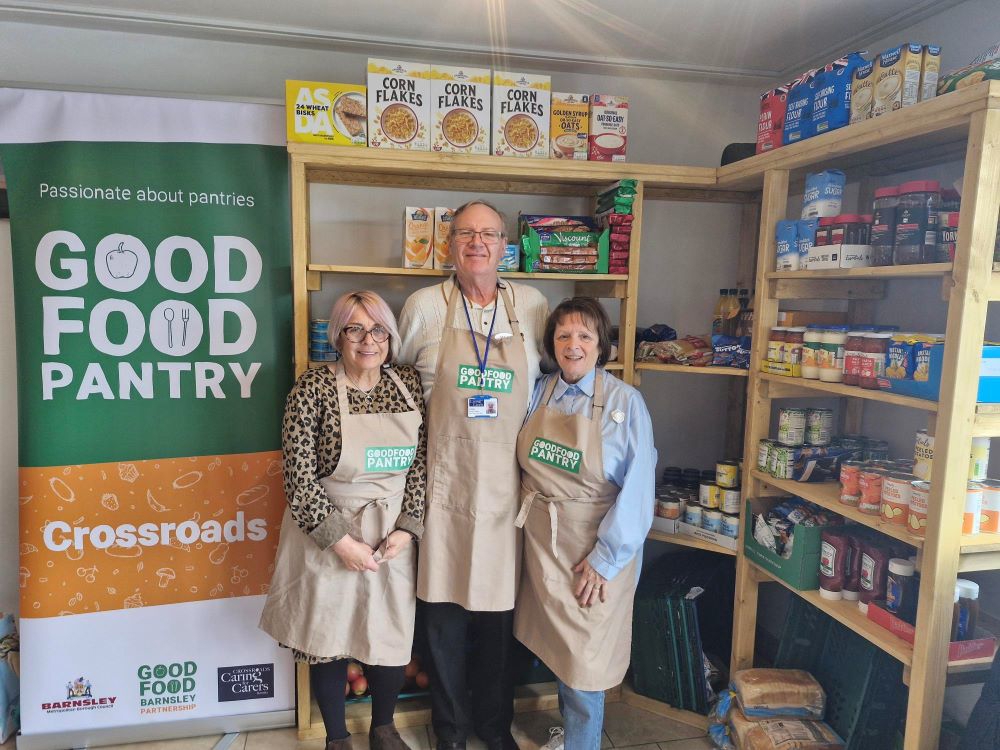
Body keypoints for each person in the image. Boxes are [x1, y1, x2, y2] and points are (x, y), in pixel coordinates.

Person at [397, 200, 549, 750]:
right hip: (444, 479)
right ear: (449, 243)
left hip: (510, 483)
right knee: (442, 618)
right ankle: (450, 731)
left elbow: (551, 382)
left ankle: (493, 725)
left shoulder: (530, 304)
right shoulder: (422, 306)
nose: (477, 243)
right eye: (466, 234)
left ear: (504, 244)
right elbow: (398, 383)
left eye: (488, 234)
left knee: (498, 620)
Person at [260, 291, 427, 750]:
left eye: (377, 329)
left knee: (390, 630)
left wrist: (408, 527)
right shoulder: (311, 390)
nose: (367, 340)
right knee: (326, 633)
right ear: (338, 336)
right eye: (354, 329)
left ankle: (384, 727)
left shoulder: (408, 386)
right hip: (327, 531)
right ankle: (336, 736)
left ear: (390, 337)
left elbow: (421, 465)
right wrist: (339, 541)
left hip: (389, 531)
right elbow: (297, 477)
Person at [513, 297, 655, 750]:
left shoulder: (625, 402)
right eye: (563, 335)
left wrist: (605, 559)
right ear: (552, 344)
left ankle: (580, 745)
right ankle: (575, 736)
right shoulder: (540, 391)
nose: (573, 345)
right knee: (562, 652)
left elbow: (637, 492)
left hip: (594, 548)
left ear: (601, 344)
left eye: (585, 335)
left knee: (584, 661)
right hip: (542, 545)